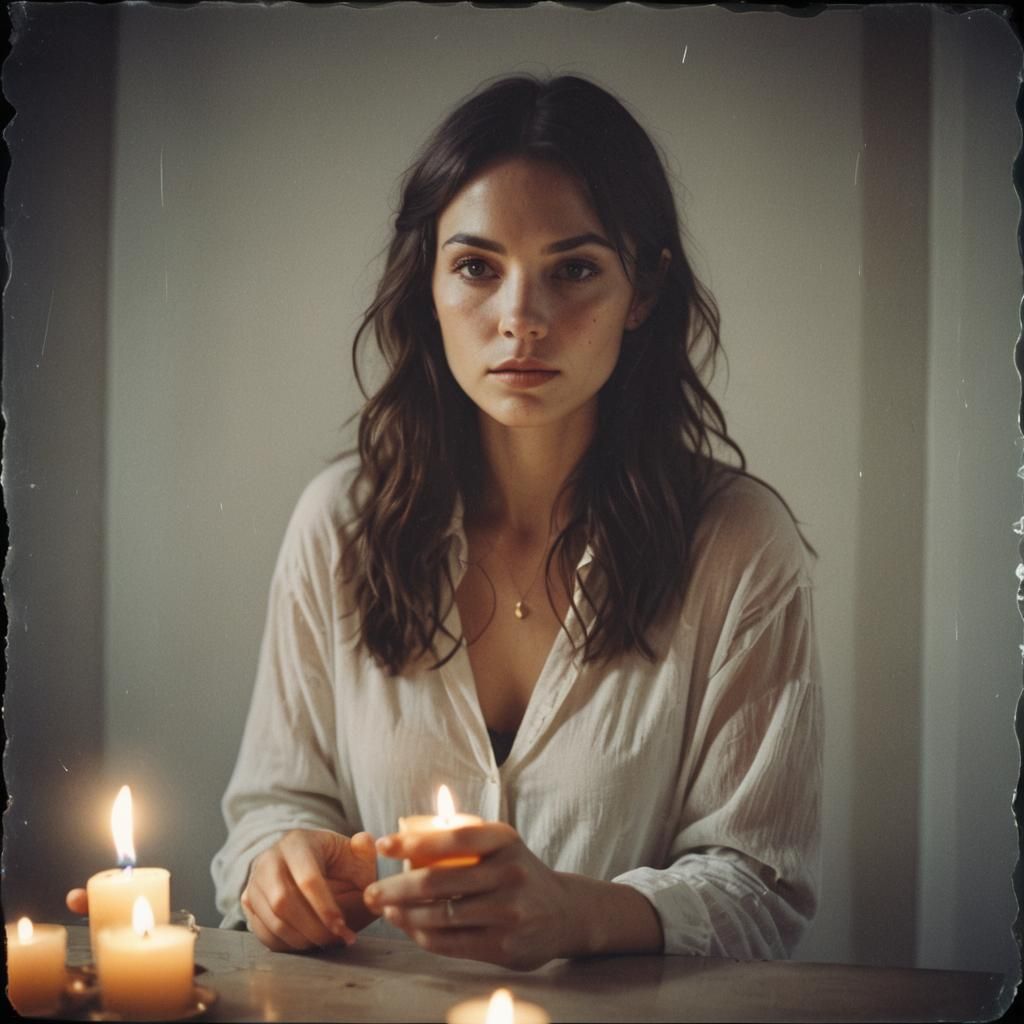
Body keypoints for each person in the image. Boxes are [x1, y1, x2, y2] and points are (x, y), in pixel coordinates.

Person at [70, 74, 822, 971]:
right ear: (427, 280)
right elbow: (273, 806)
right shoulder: (340, 528)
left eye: (575, 269)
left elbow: (761, 887)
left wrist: (579, 914)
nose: (520, 321)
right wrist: (283, 870)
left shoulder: (738, 546)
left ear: (645, 291)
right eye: (476, 266)